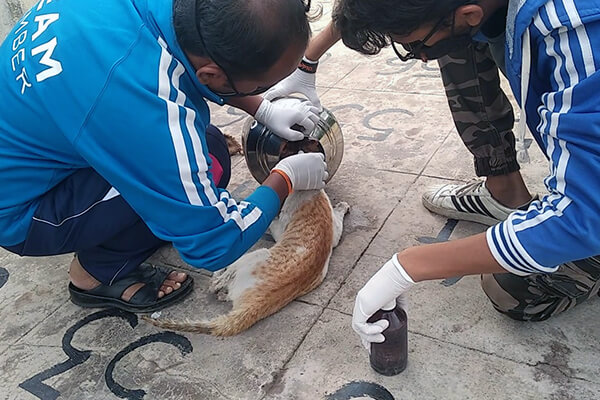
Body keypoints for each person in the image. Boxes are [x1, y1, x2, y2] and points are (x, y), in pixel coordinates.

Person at [0, 0, 328, 313]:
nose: (264, 90)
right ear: (212, 75)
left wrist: (262, 106)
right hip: (22, 214)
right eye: (262, 85)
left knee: (206, 146)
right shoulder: (140, 103)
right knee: (207, 165)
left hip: (46, 136)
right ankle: (98, 272)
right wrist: (286, 177)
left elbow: (187, 61)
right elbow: (214, 243)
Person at [330, 0, 600, 349]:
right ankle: (503, 191)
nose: (422, 57)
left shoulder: (577, 39)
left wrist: (409, 266)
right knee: (458, 42)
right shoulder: (495, 14)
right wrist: (309, 61)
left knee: (512, 286)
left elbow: (583, 215)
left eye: (415, 45)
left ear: (471, 12)